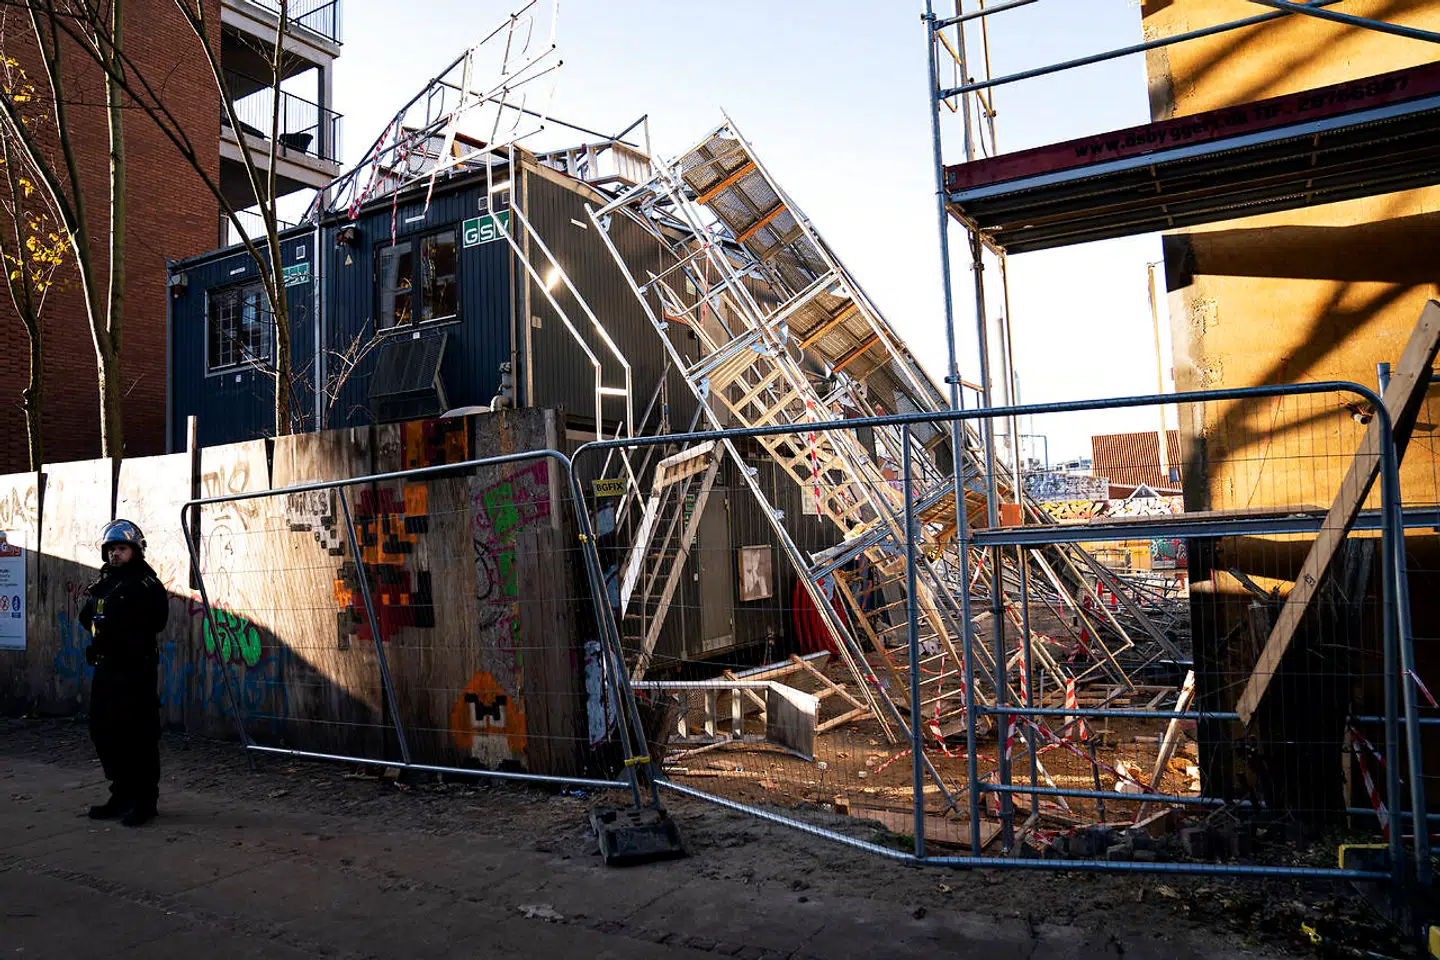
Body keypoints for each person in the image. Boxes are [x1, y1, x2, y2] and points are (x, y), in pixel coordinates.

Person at [80, 519, 169, 827]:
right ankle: (121, 794)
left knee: (139, 737)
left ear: (135, 550)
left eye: (121, 548)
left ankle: (145, 802)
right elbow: (86, 617)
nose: (115, 554)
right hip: (105, 669)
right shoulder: (105, 582)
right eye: (111, 549)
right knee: (104, 733)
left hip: (135, 671)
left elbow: (157, 621)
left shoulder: (146, 584)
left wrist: (123, 627)